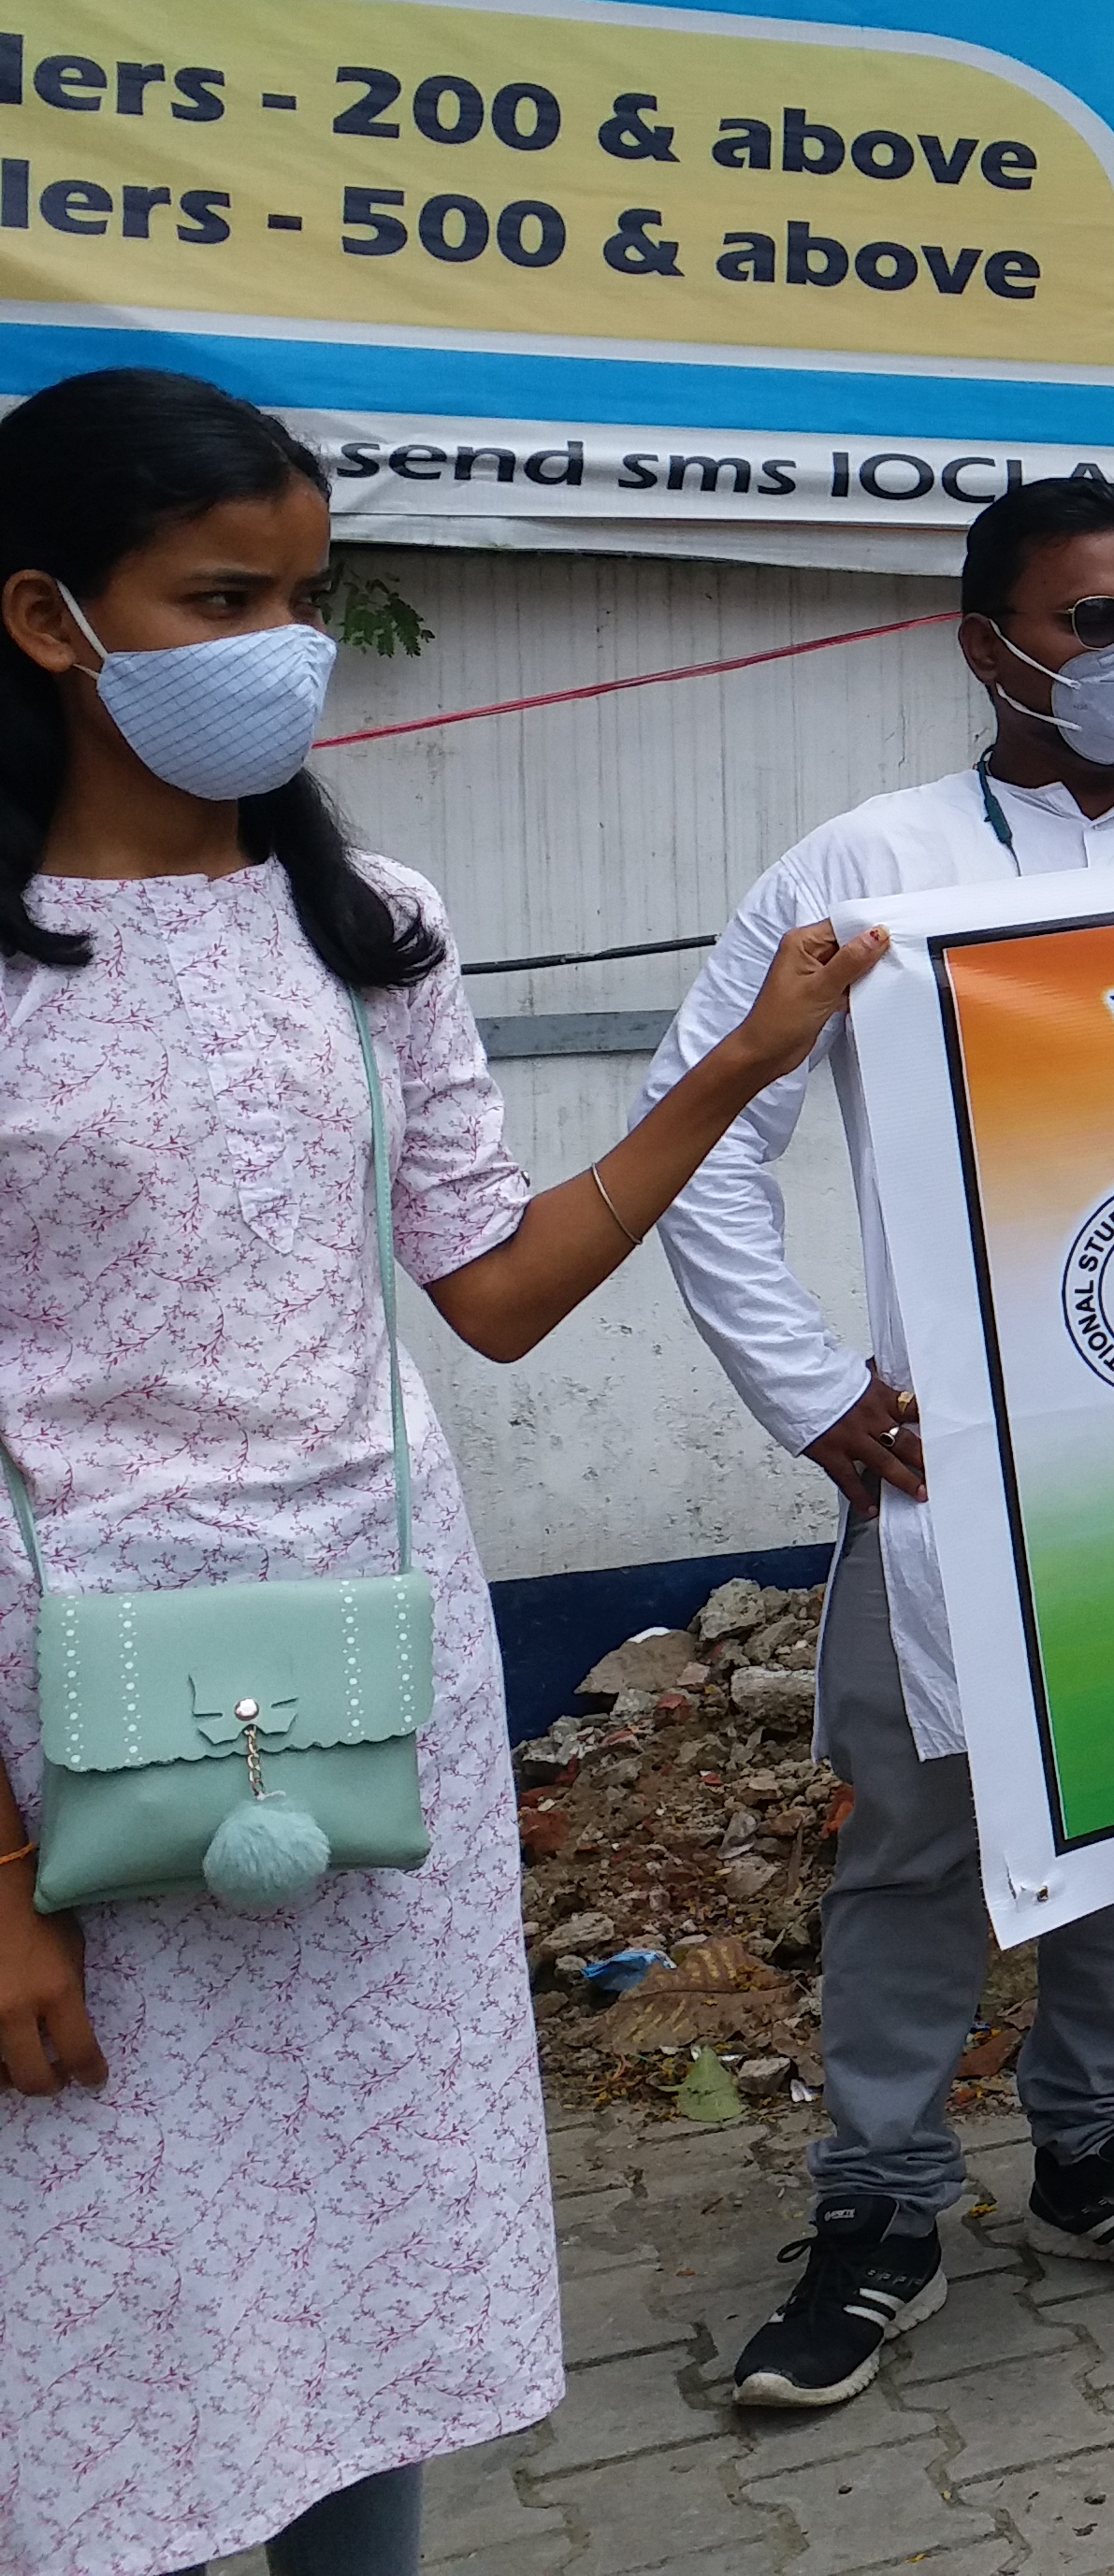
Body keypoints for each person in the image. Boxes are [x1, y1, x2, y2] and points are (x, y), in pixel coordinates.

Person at [0, 368, 886, 2576]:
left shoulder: (364, 922)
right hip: (60, 1710)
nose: (283, 650)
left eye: (309, 594)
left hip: (370, 1676)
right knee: (90, 2262)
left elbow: (487, 1289)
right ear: (44, 620)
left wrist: (740, 1067)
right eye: (222, 598)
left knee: (369, 2235)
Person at [649, 471, 1114, 2411]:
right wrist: (816, 1399)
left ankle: (1100, 2146)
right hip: (950, 1483)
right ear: (986, 642)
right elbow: (704, 1138)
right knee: (917, 1849)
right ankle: (878, 2208)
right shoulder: (865, 873)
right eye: (1093, 623)